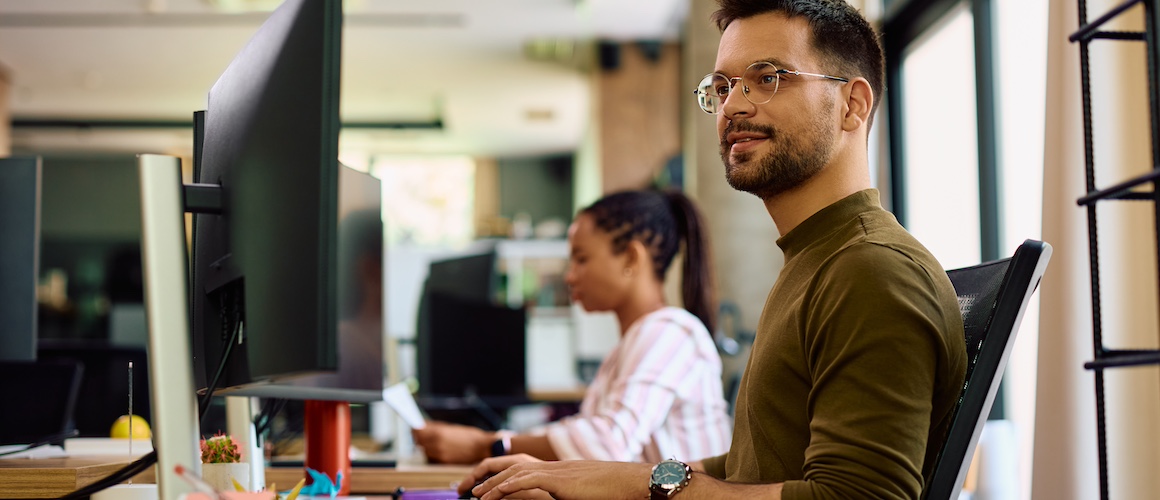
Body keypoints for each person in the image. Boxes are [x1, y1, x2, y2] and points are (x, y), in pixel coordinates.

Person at [461, 1, 968, 499]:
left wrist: (637, 483)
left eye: (768, 77)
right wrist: (587, 476)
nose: (734, 106)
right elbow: (754, 462)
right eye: (723, 87)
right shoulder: (815, 260)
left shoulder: (871, 270)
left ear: (853, 105)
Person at [412, 189, 733, 466]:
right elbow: (588, 435)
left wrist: (487, 446)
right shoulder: (631, 346)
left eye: (581, 259)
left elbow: (606, 444)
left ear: (631, 258)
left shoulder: (670, 332)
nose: (570, 276)